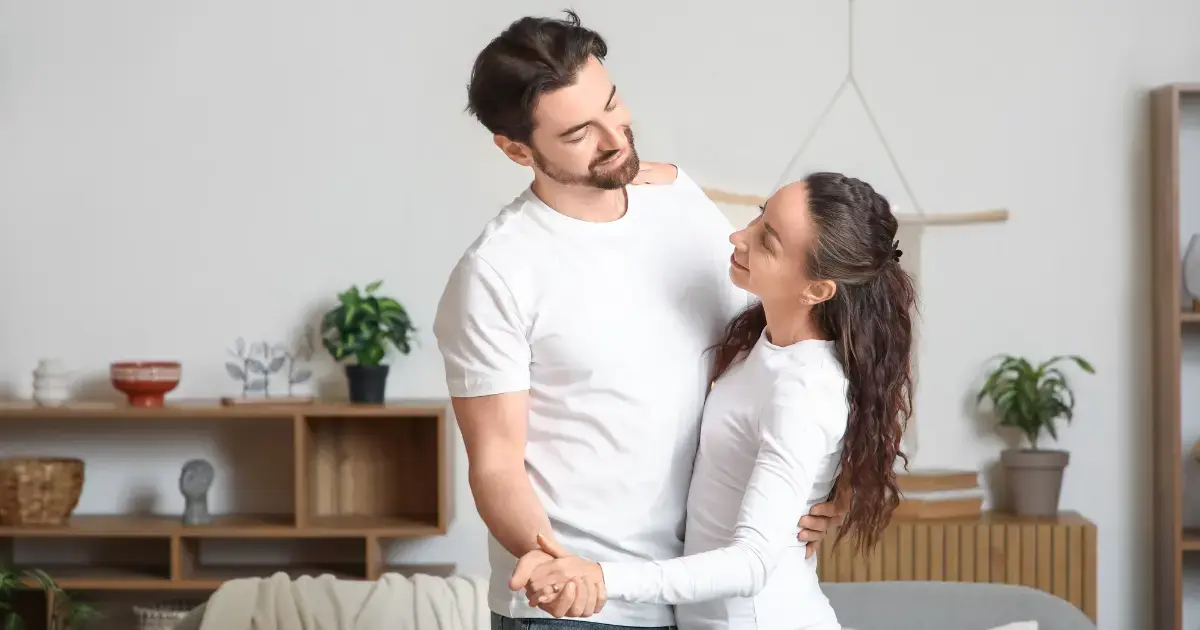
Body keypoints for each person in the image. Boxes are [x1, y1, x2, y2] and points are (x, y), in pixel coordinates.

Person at [432, 11, 846, 630]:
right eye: (578, 133)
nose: (615, 137)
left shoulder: (677, 200)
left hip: (688, 592)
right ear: (517, 149)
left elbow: (783, 350)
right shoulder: (497, 272)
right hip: (574, 610)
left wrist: (835, 489)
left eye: (613, 103)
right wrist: (556, 565)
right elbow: (495, 462)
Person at [509, 173, 917, 630]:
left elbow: (749, 565)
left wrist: (601, 575)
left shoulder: (803, 392)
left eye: (769, 241)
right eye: (761, 214)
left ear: (817, 290)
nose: (738, 236)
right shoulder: (759, 344)